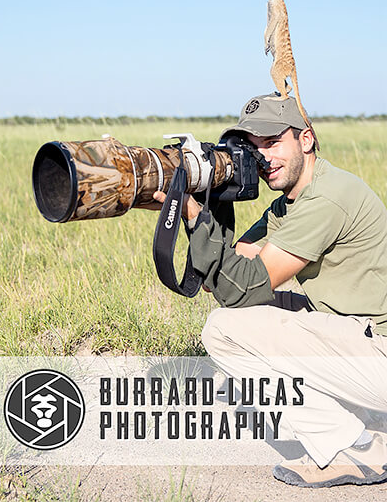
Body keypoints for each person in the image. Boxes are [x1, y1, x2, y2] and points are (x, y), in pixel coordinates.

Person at [154, 94, 387, 488]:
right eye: (253, 147)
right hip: (358, 340)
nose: (264, 157)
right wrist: (208, 198)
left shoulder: (327, 198)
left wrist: (194, 218)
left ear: (306, 140)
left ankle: (356, 449)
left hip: (377, 354)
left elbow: (240, 287)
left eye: (273, 142)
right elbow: (220, 282)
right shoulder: (286, 206)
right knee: (242, 314)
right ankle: (362, 423)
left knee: (223, 331)